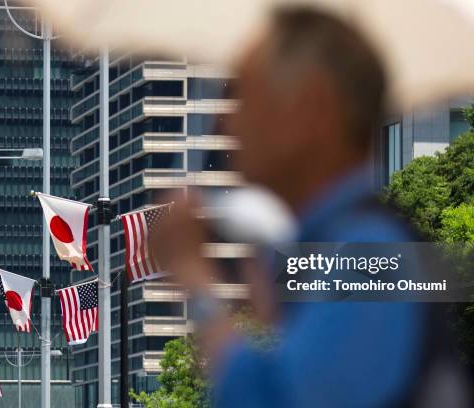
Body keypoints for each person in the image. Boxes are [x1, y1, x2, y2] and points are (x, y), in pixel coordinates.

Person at [154, 7, 441, 408]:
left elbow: (269, 399)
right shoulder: (337, 245)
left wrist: (195, 281)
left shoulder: (369, 251)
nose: (226, 121)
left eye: (245, 96)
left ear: (313, 109)